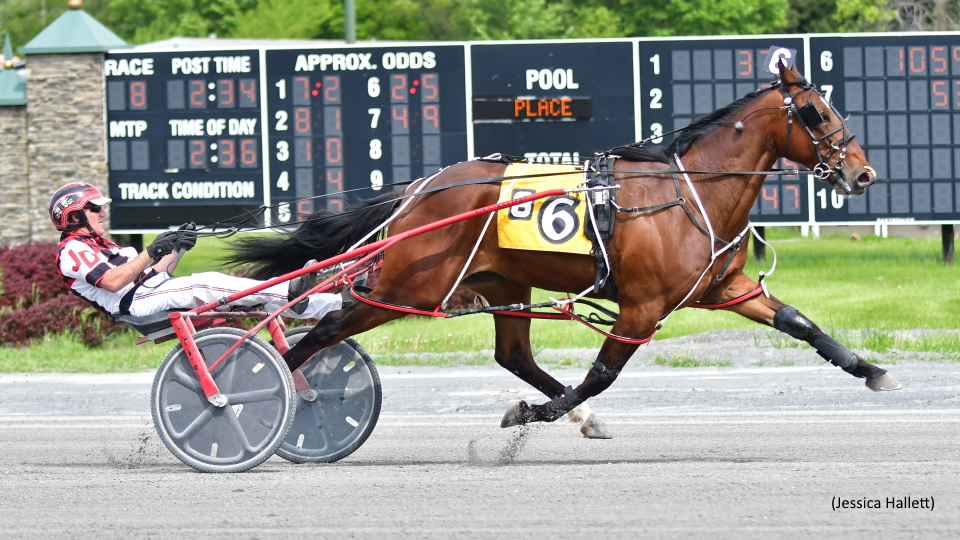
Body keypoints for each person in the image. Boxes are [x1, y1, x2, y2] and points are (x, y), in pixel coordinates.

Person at [51, 182, 342, 321]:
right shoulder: (73, 250)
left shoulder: (100, 245)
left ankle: (327, 304)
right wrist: (151, 251)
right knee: (205, 283)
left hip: (148, 291)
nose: (102, 214)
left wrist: (177, 247)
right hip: (133, 303)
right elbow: (114, 282)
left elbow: (158, 275)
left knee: (242, 295)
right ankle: (322, 301)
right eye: (95, 208)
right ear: (74, 215)